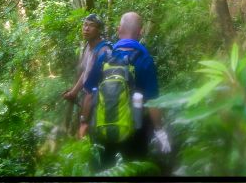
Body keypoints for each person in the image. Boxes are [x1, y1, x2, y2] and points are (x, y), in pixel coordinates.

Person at [78, 11, 170, 169]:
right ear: (140, 32)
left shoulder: (105, 57)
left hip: (104, 129)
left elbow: (89, 94)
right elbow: (152, 102)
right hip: (136, 133)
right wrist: (160, 131)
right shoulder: (145, 59)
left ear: (118, 29)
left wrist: (83, 123)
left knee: (107, 169)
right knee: (132, 170)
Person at [62, 13, 110, 132]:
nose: (86, 28)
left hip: (101, 103)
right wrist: (73, 93)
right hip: (89, 100)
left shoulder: (104, 51)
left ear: (99, 30)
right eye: (85, 25)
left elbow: (93, 87)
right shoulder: (88, 46)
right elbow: (86, 73)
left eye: (91, 25)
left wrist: (84, 120)